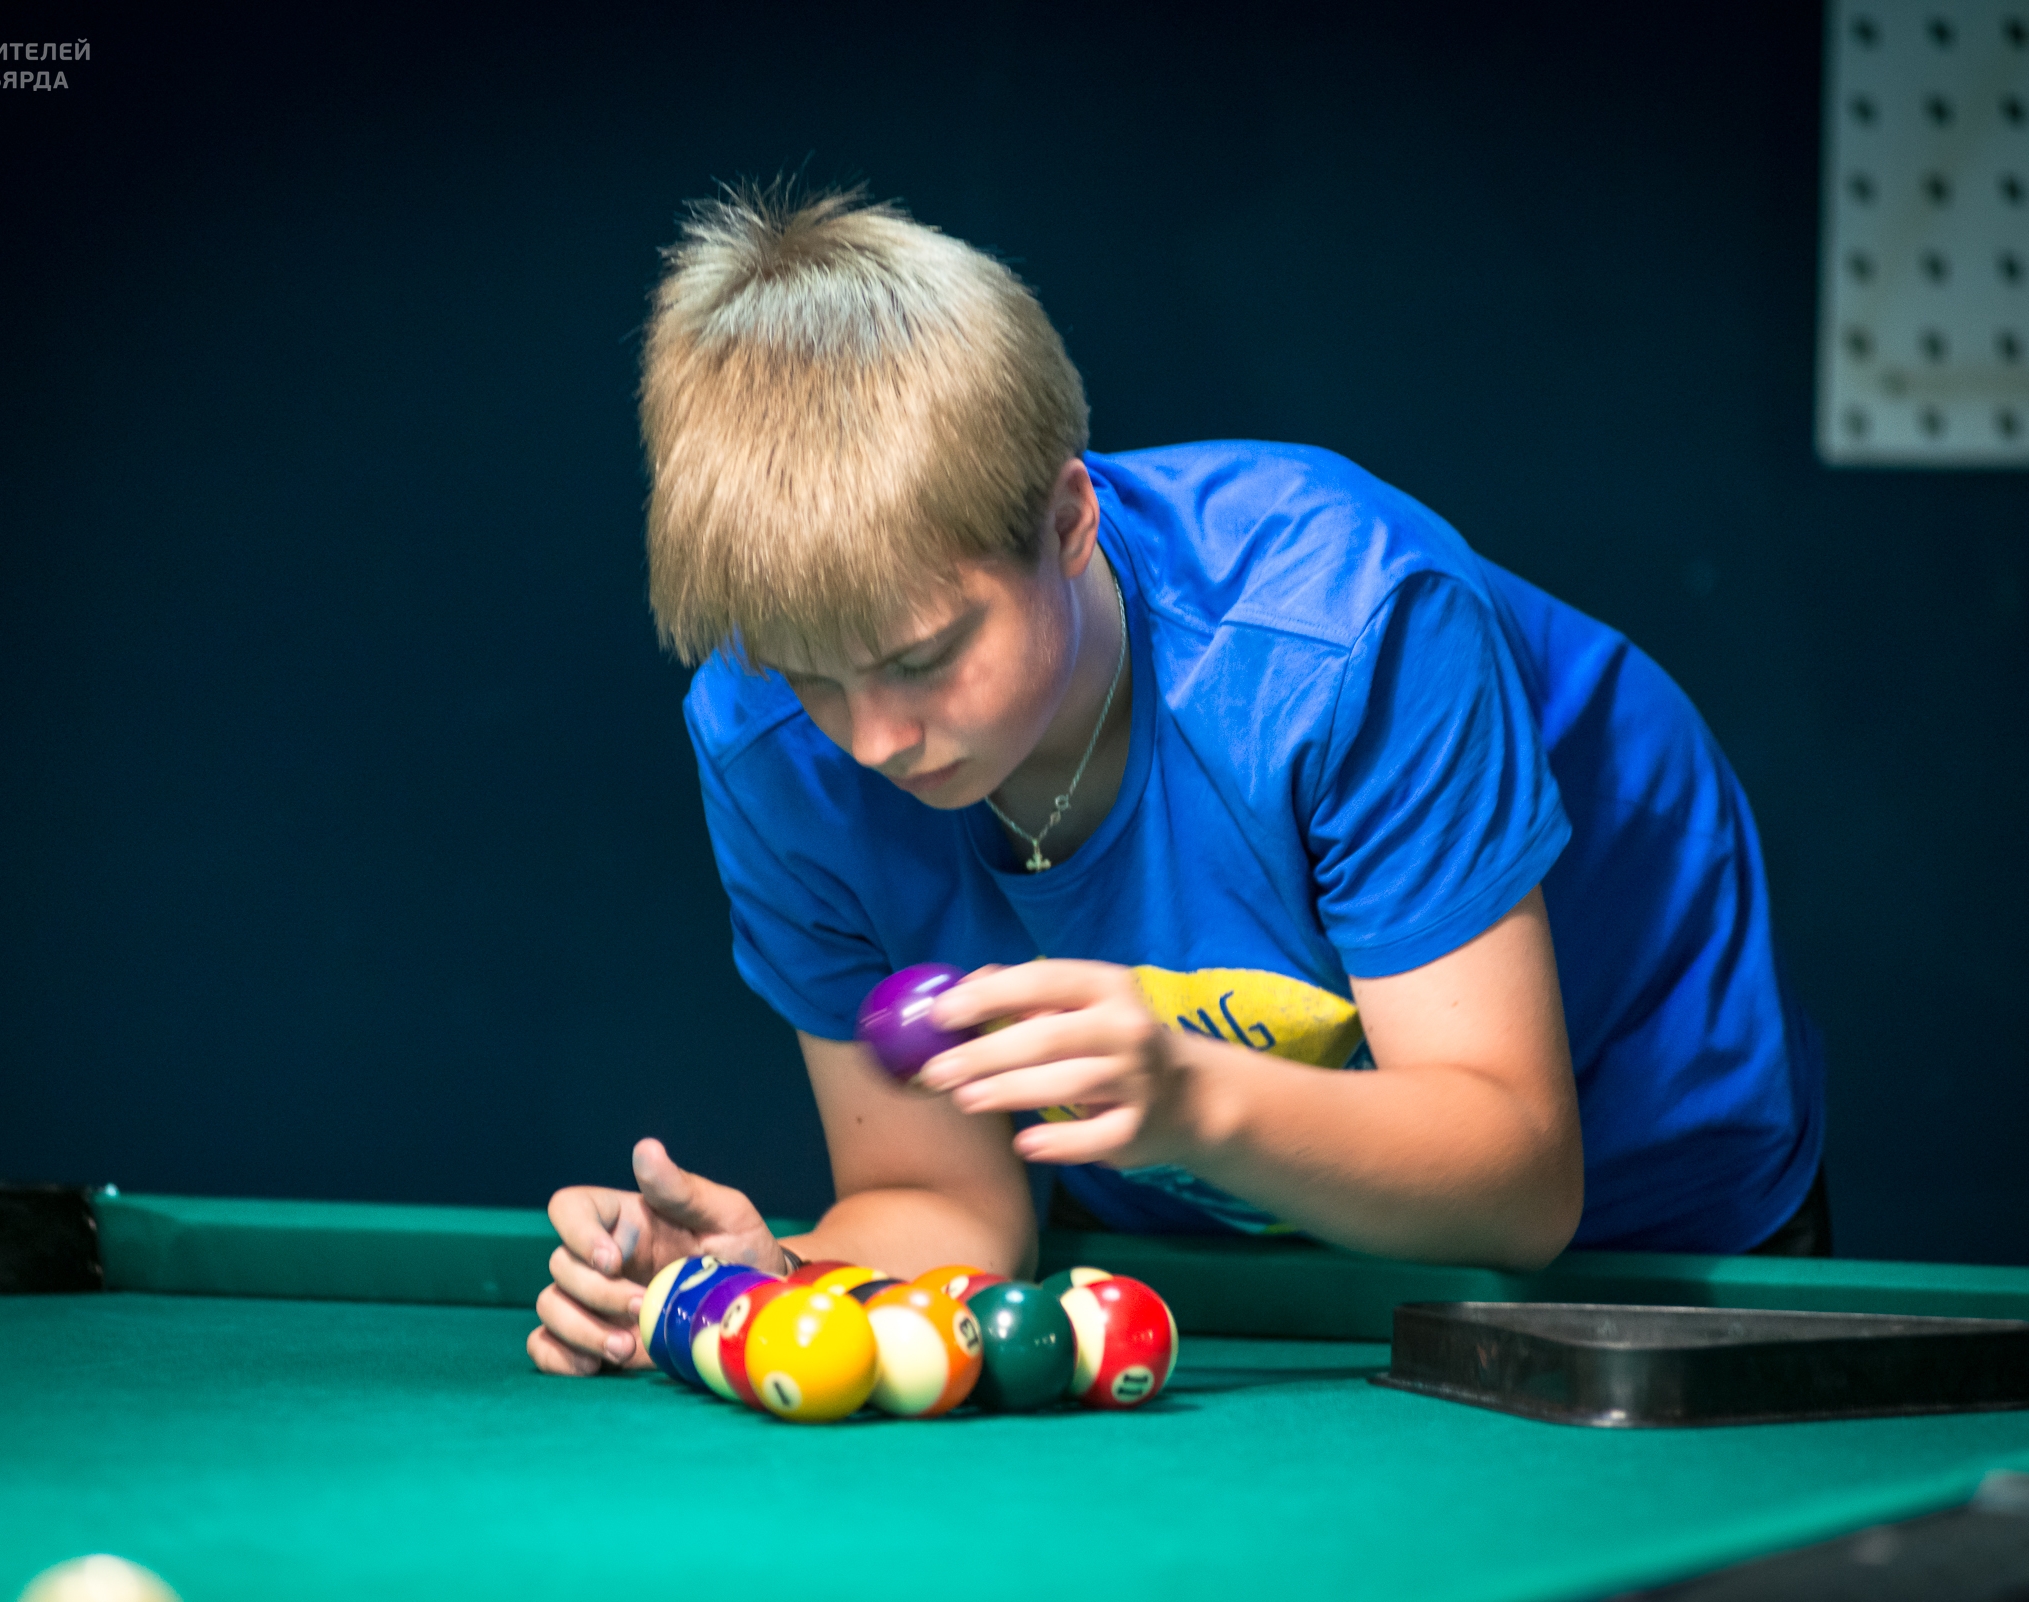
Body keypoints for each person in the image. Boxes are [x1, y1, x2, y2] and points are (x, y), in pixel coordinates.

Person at [528, 187, 1826, 1379]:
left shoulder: (1345, 633)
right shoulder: (768, 741)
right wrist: (769, 1285)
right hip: (1221, 1232)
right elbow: (951, 1206)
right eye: (813, 675)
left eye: (923, 658)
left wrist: (1193, 1093)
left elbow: (1520, 1184)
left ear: (1068, 520)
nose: (871, 740)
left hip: (1638, 1199)